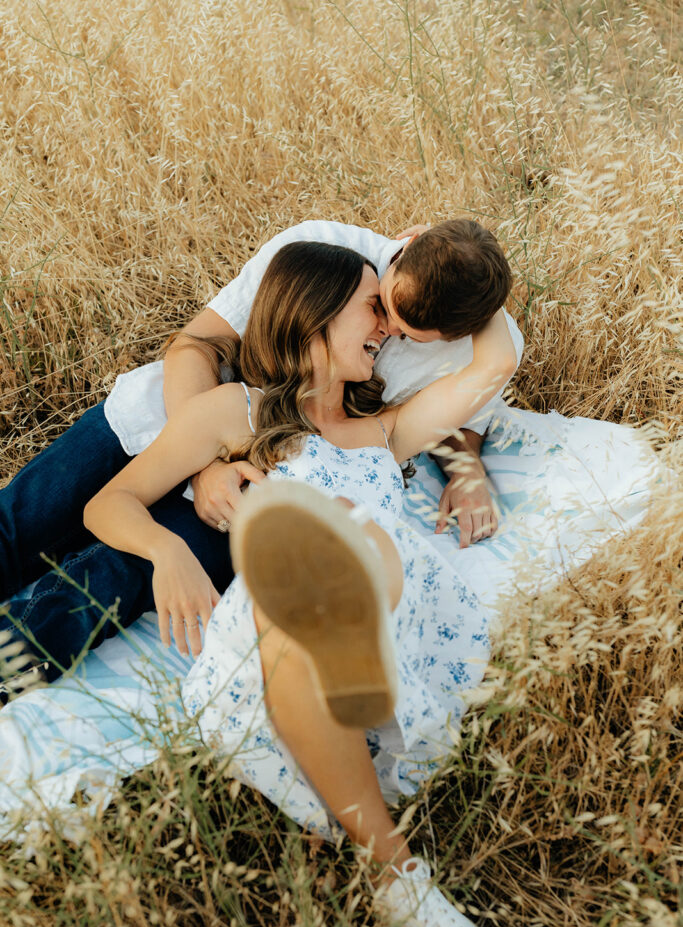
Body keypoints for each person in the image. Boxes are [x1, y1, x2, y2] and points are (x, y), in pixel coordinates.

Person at [2, 241, 516, 927]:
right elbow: (108, 502)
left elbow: (491, 363)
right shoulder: (236, 414)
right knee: (294, 590)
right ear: (313, 312)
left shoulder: (384, 429)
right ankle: (398, 874)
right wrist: (167, 550)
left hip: (383, 600)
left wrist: (441, 259)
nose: (387, 329)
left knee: (358, 543)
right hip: (286, 613)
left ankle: (333, 558)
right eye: (371, 308)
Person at [0, 218, 519, 683]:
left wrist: (483, 292)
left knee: (108, 576)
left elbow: (473, 400)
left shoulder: (413, 395)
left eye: (415, 335)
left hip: (258, 477)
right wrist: (206, 468)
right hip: (165, 418)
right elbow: (194, 346)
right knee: (20, 524)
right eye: (381, 309)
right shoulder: (322, 254)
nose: (390, 331)